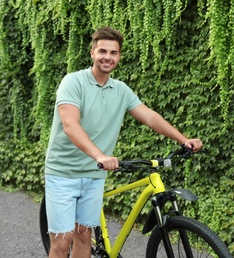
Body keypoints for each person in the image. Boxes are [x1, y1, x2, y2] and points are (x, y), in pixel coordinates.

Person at [44, 26, 203, 258]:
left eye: (113, 53)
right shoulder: (73, 82)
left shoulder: (121, 90)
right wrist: (99, 156)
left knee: (83, 236)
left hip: (94, 175)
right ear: (92, 53)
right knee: (61, 242)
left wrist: (183, 139)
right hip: (63, 173)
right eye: (102, 51)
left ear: (119, 57)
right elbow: (70, 125)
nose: (107, 57)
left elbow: (149, 117)